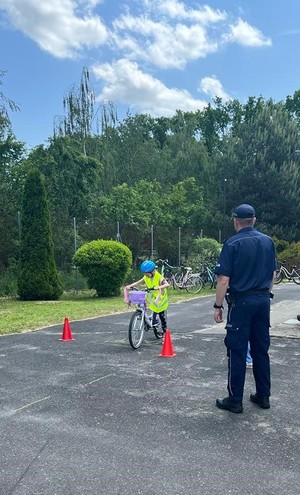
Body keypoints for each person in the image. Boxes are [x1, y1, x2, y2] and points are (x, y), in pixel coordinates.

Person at [213, 204, 277, 414]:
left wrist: (218, 305)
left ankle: (235, 400)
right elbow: (273, 274)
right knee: (260, 349)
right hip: (262, 300)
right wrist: (265, 294)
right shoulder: (268, 242)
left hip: (241, 302)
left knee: (237, 350)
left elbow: (224, 279)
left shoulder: (232, 243)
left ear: (235, 221)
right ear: (254, 220)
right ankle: (263, 396)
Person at [125, 260, 170, 334]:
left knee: (162, 317)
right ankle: (148, 321)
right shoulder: (146, 277)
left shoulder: (159, 277)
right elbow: (138, 282)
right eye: (144, 274)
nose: (146, 275)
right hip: (152, 297)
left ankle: (165, 334)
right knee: (147, 307)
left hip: (160, 299)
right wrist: (130, 286)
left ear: (153, 271)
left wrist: (159, 287)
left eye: (147, 274)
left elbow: (167, 285)